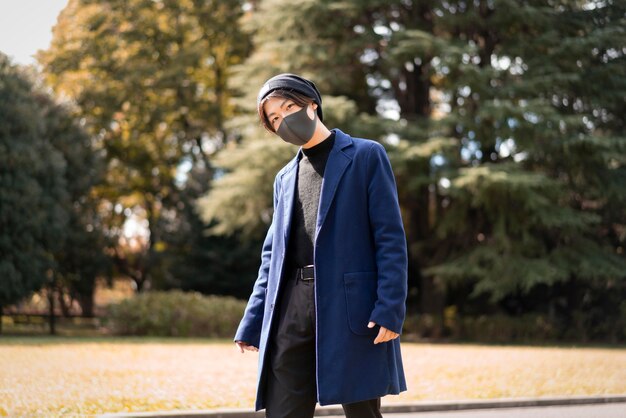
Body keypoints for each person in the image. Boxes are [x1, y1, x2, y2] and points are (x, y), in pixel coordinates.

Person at [234, 73, 408, 418]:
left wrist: (390, 306)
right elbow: (272, 256)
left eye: (288, 107)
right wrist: (252, 320)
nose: (284, 120)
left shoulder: (366, 156)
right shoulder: (284, 178)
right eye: (274, 118)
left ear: (311, 104)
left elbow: (389, 239)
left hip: (351, 307)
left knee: (362, 412)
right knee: (283, 410)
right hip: (292, 306)